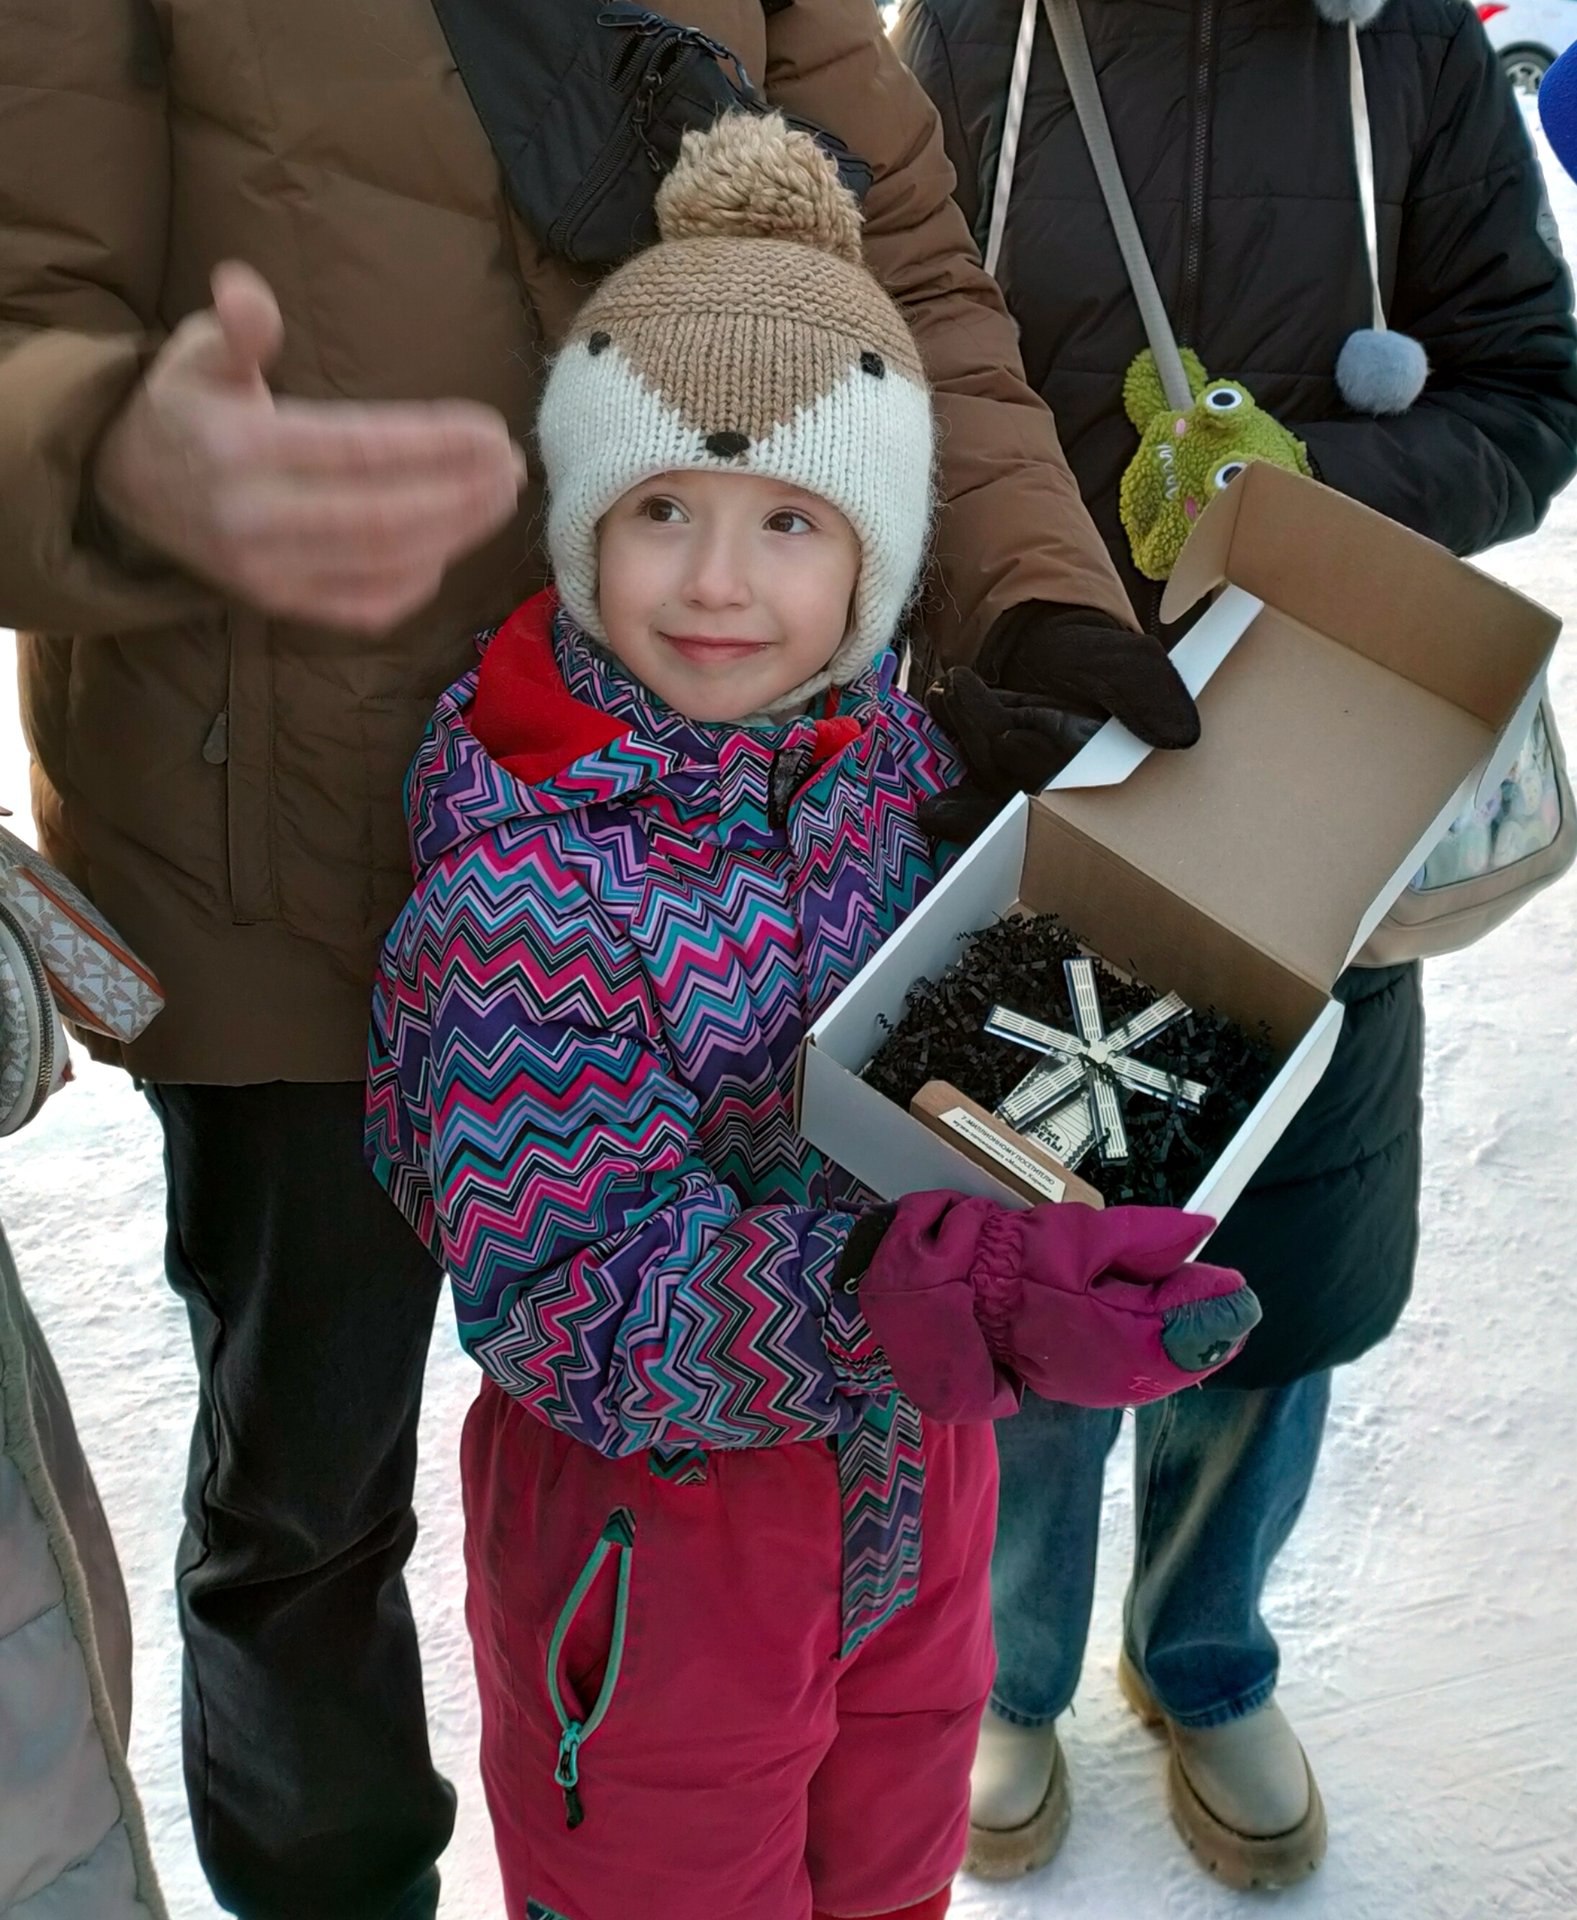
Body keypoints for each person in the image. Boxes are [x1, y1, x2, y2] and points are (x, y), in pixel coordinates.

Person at [0, 5, 1207, 1914]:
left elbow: (889, 257)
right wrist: (112, 463)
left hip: (757, 808)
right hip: (282, 861)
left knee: (798, 1413)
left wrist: (1028, 592)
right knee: (309, 1498)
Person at [364, 112, 1260, 1920]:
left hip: (910, 1528)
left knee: (884, 1882)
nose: (716, 579)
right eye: (661, 509)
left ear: (873, 565)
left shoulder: (893, 797)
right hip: (655, 1562)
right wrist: (909, 1302)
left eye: (790, 518)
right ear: (580, 528)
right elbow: (570, 1304)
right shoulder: (521, 893)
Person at [894, 0, 1577, 1890]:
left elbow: (1533, 390)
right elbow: (883, 368)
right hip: (1030, 758)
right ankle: (1004, 1678)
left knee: (1274, 1273)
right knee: (1033, 1241)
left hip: (1318, 770)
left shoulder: (1405, 50)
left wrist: (1304, 501)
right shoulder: (970, 34)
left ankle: (1202, 1661)